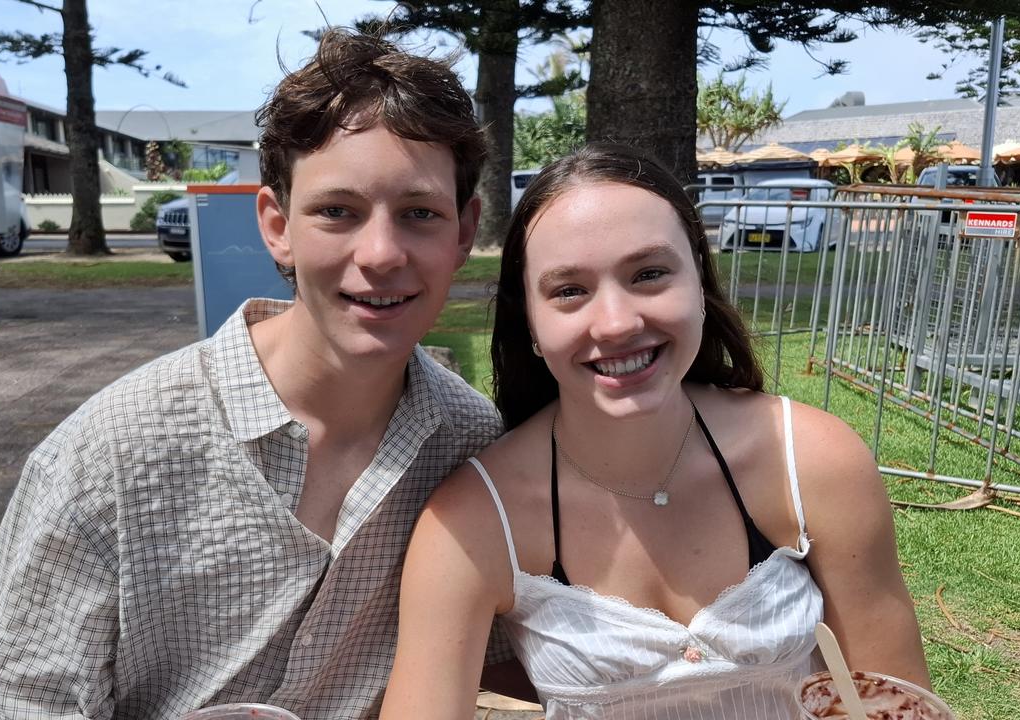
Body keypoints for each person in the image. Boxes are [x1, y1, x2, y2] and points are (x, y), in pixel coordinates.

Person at [0, 29, 507, 720]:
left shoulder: (474, 445)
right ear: (277, 225)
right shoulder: (111, 454)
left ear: (463, 231)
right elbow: (12, 702)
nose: (381, 253)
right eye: (338, 211)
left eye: (419, 213)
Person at [380, 143, 930, 720]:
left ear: (698, 279)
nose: (617, 322)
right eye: (569, 290)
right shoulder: (474, 520)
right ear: (531, 324)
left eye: (649, 274)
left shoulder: (814, 459)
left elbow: (895, 701)